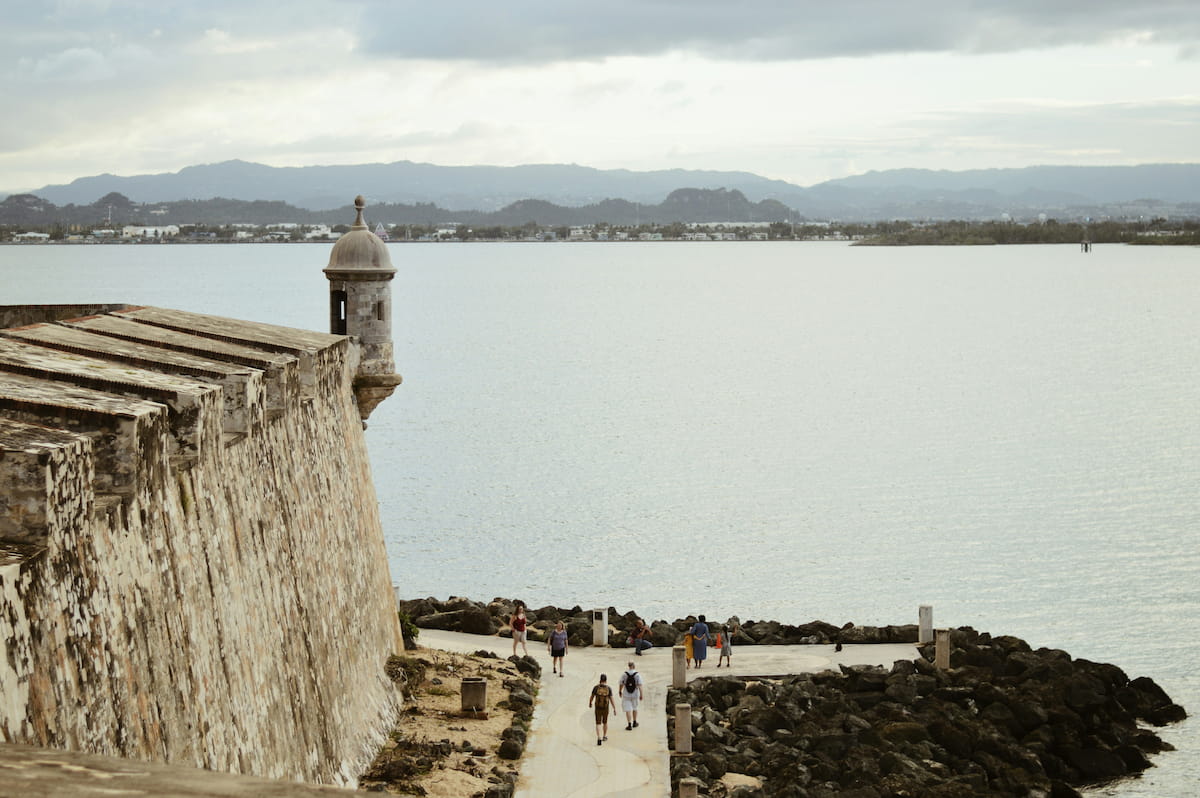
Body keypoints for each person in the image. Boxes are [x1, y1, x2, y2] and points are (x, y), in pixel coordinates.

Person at [589, 673, 617, 746]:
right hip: (605, 708)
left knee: (598, 723)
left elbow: (591, 697)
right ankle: (604, 736)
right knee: (605, 722)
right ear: (606, 680)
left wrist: (590, 703)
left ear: (600, 680)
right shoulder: (608, 688)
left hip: (598, 708)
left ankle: (599, 737)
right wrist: (614, 708)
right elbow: (611, 699)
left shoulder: (596, 688)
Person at [619, 661, 644, 730]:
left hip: (626, 694)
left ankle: (629, 724)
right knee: (635, 708)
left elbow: (621, 683)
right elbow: (640, 685)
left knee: (628, 709)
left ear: (628, 666)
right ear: (634, 666)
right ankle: (634, 722)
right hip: (635, 694)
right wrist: (641, 694)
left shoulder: (624, 674)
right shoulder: (637, 674)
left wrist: (620, 691)